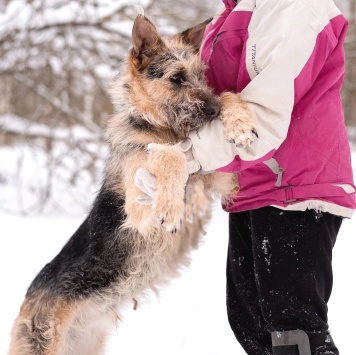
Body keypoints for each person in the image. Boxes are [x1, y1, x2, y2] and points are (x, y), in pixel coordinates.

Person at [136, 0, 356, 354]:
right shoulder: (233, 11)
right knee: (253, 328)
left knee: (293, 335)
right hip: (248, 185)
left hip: (296, 185)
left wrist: (186, 158)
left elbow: (262, 117)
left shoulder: (297, 7)